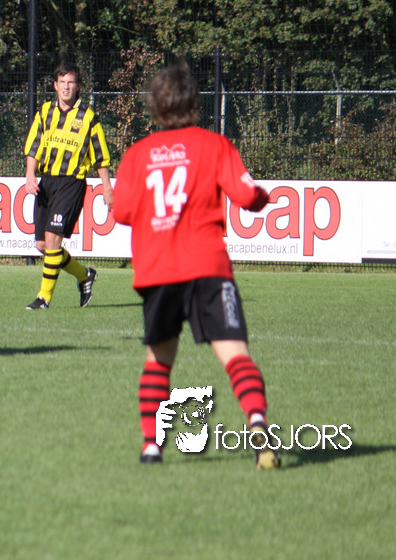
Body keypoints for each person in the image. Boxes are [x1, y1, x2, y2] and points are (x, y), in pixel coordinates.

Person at [110, 62, 280, 468]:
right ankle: (258, 423)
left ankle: (151, 447)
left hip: (159, 269)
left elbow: (121, 212)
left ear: (156, 106)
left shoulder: (137, 155)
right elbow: (246, 196)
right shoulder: (215, 145)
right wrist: (263, 197)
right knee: (235, 355)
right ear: (194, 104)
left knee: (159, 360)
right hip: (207, 266)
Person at [22, 62, 113, 310]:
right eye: (62, 82)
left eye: (70, 82)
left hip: (72, 182)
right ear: (55, 85)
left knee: (53, 239)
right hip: (47, 182)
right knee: (42, 245)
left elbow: (100, 156)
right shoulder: (44, 112)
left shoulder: (88, 117)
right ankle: (85, 275)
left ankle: (44, 298)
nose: (66, 87)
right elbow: (33, 146)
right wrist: (30, 174)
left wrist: (107, 187)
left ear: (78, 86)